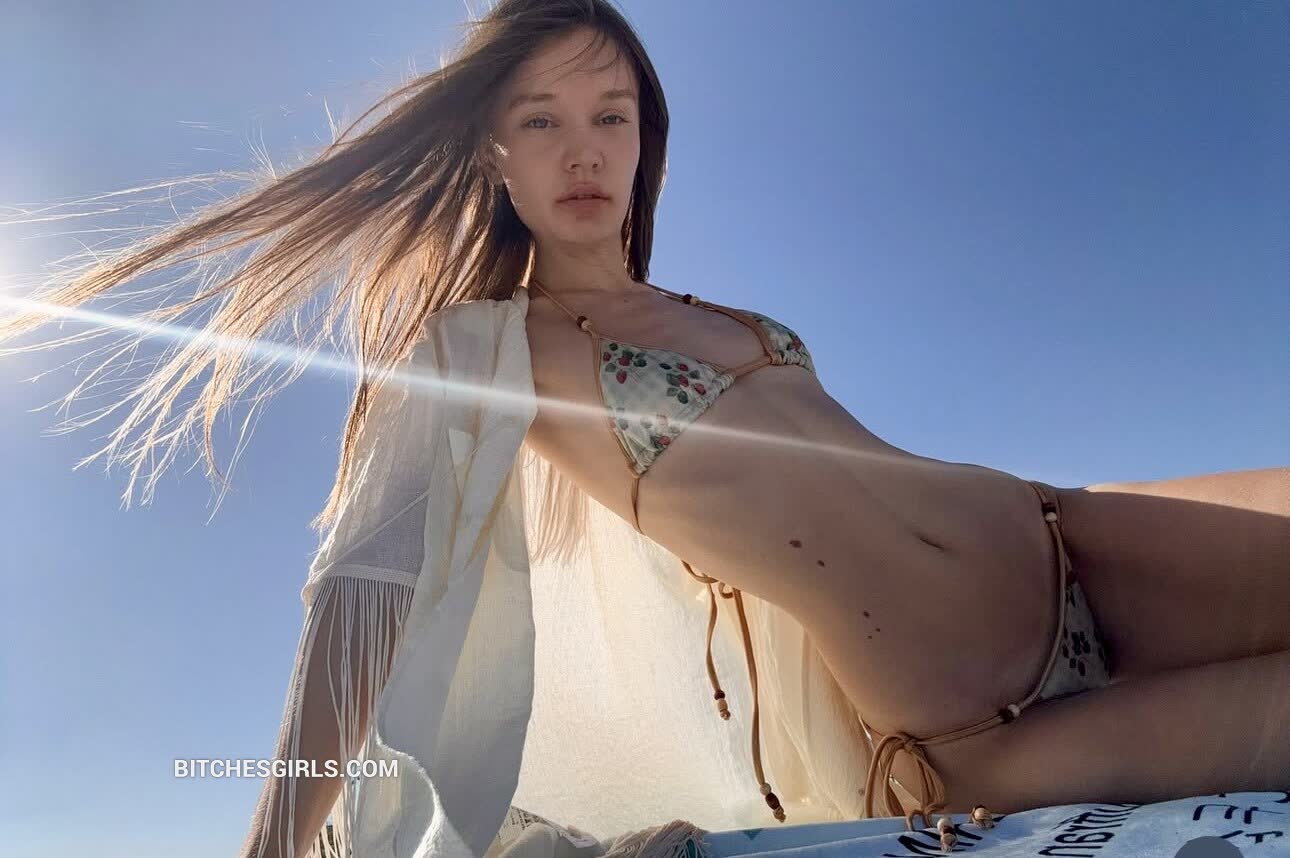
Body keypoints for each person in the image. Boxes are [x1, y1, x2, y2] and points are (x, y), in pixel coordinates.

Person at [2, 1, 1286, 856]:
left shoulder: (731, 315)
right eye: (541, 119)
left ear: (644, 139)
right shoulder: (483, 354)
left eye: (609, 115)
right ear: (494, 151)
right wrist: (274, 846)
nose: (583, 151)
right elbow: (361, 597)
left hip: (1067, 539)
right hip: (984, 729)